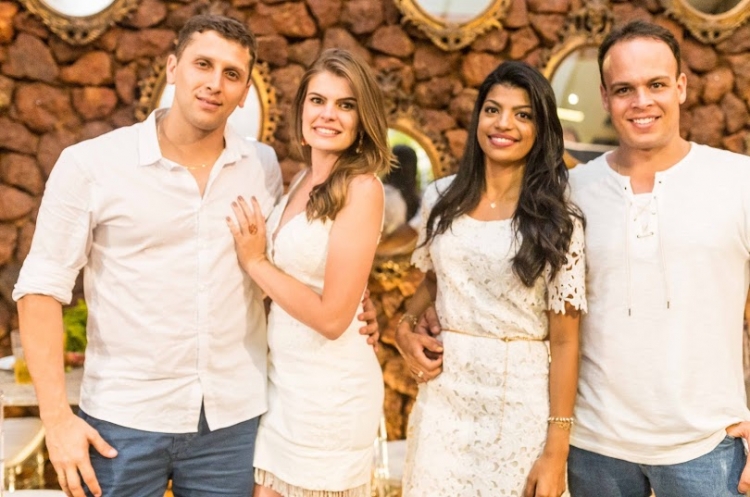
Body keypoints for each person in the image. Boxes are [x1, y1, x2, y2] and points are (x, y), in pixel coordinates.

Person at [12, 16, 378, 497]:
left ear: (245, 92)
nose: (215, 83)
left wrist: (355, 302)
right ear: (172, 68)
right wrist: (57, 419)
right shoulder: (91, 164)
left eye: (232, 74)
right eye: (202, 64)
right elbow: (40, 289)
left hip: (233, 422)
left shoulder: (262, 165)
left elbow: (294, 260)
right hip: (125, 419)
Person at [405, 20, 750, 497]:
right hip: (593, 448)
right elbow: (473, 272)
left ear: (682, 87)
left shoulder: (737, 181)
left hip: (705, 447)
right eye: (624, 89)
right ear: (605, 97)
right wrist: (409, 322)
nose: (641, 101)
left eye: (656, 85)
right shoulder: (568, 195)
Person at [394, 61, 586, 497]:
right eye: (493, 109)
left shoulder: (559, 218)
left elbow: (565, 341)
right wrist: (404, 327)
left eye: (523, 114)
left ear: (541, 129)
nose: (504, 124)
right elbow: (434, 282)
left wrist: (556, 452)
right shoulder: (441, 198)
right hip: (444, 402)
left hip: (519, 408)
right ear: (478, 116)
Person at [227, 49, 391, 497]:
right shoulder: (302, 179)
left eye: (345, 104)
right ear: (302, 109)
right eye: (318, 100)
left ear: (362, 119)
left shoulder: (363, 188)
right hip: (283, 386)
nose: (328, 114)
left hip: (330, 395)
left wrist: (256, 262)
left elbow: (334, 319)